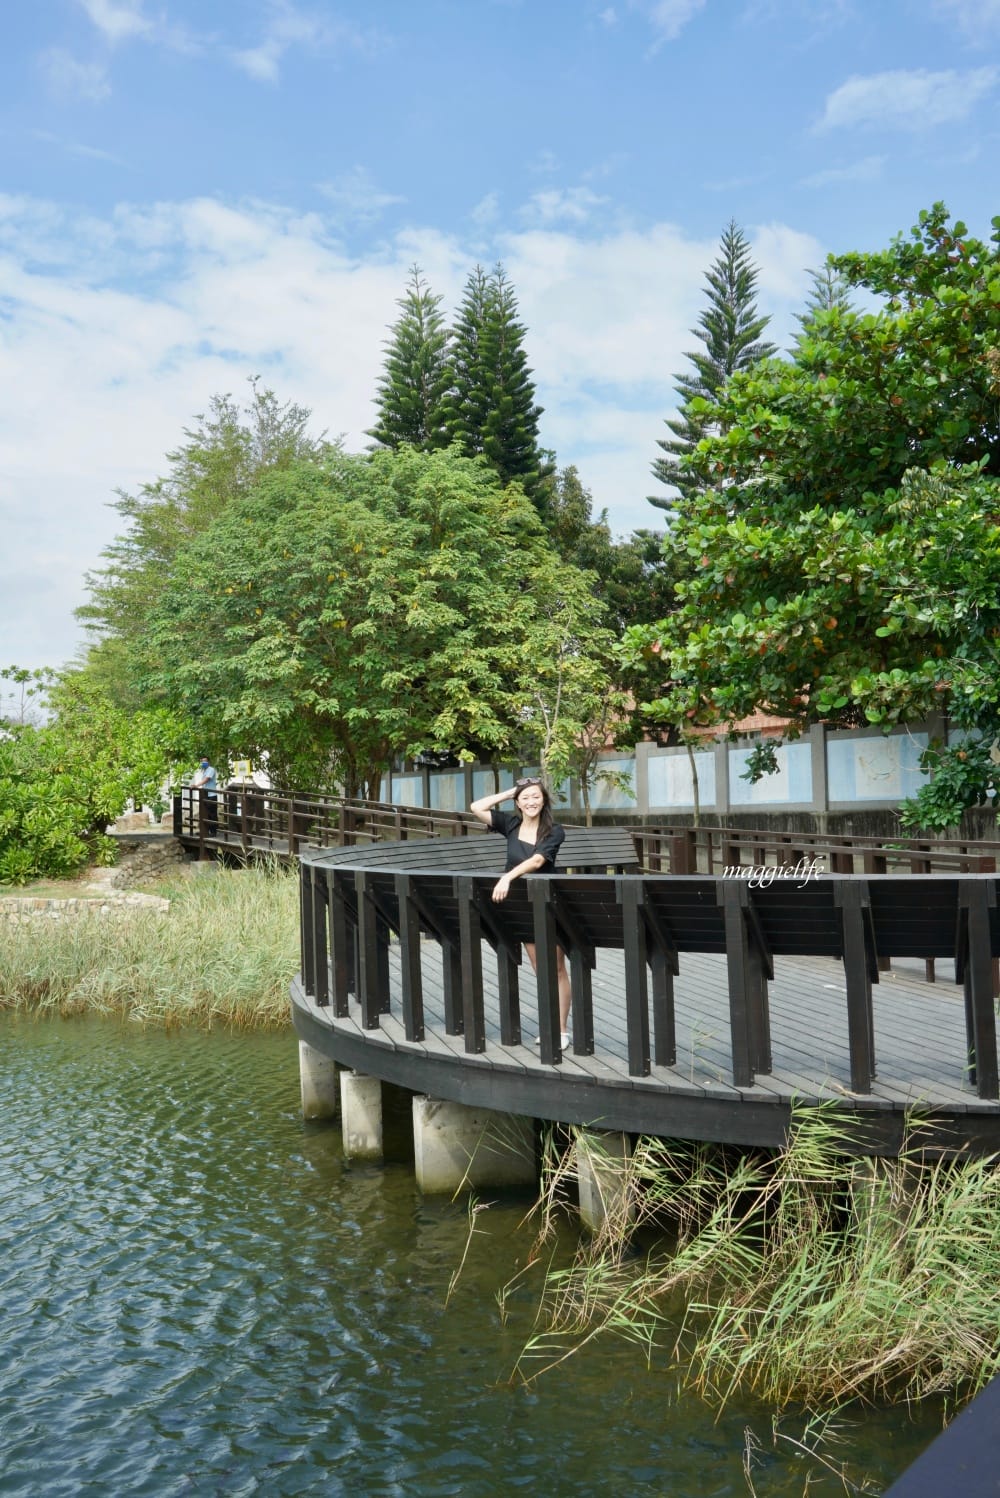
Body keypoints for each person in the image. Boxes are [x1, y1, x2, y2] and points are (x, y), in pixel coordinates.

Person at [469, 777, 572, 1050]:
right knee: (541, 970)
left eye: (536, 796)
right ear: (518, 802)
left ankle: (560, 1031)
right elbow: (476, 806)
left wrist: (507, 878)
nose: (531, 802)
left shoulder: (554, 831)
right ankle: (548, 1024)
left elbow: (537, 861)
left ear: (544, 800)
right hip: (523, 906)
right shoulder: (511, 825)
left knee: (557, 968)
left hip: (550, 904)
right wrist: (511, 792)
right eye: (525, 798)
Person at [191, 756, 219, 836]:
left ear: (208, 762)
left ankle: (213, 832)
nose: (203, 763)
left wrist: (196, 785)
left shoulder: (211, 769)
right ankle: (204, 830)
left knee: (212, 814)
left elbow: (206, 779)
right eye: (202, 762)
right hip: (205, 794)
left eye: (205, 761)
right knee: (204, 813)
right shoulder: (204, 771)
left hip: (211, 795)